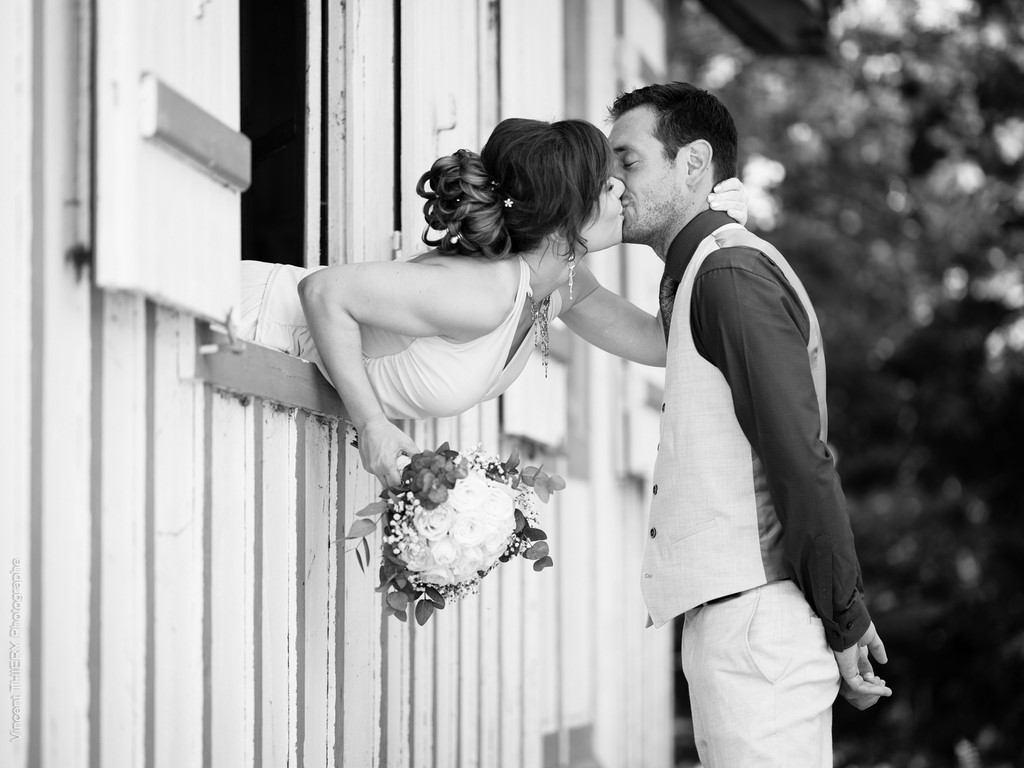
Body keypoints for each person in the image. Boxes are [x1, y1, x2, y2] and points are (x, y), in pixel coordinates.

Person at [607, 82, 891, 766]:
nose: (612, 184)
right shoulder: (702, 274)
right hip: (739, 623)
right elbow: (627, 327)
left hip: (759, 623)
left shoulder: (728, 274)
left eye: (628, 162)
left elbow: (799, 458)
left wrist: (846, 616)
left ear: (694, 163)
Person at [239, 117, 749, 486]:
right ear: (564, 215)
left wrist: (710, 234)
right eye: (604, 183)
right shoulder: (488, 291)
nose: (620, 187)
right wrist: (373, 426)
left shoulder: (561, 285)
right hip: (247, 322)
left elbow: (661, 340)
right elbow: (323, 291)